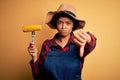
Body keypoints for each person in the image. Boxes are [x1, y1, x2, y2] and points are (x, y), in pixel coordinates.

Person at [28, 4, 96, 80]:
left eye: (68, 23)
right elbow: (38, 77)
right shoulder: (47, 45)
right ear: (56, 24)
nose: (63, 27)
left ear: (73, 25)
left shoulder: (79, 43)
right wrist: (34, 57)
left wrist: (88, 38)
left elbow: (91, 44)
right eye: (60, 22)